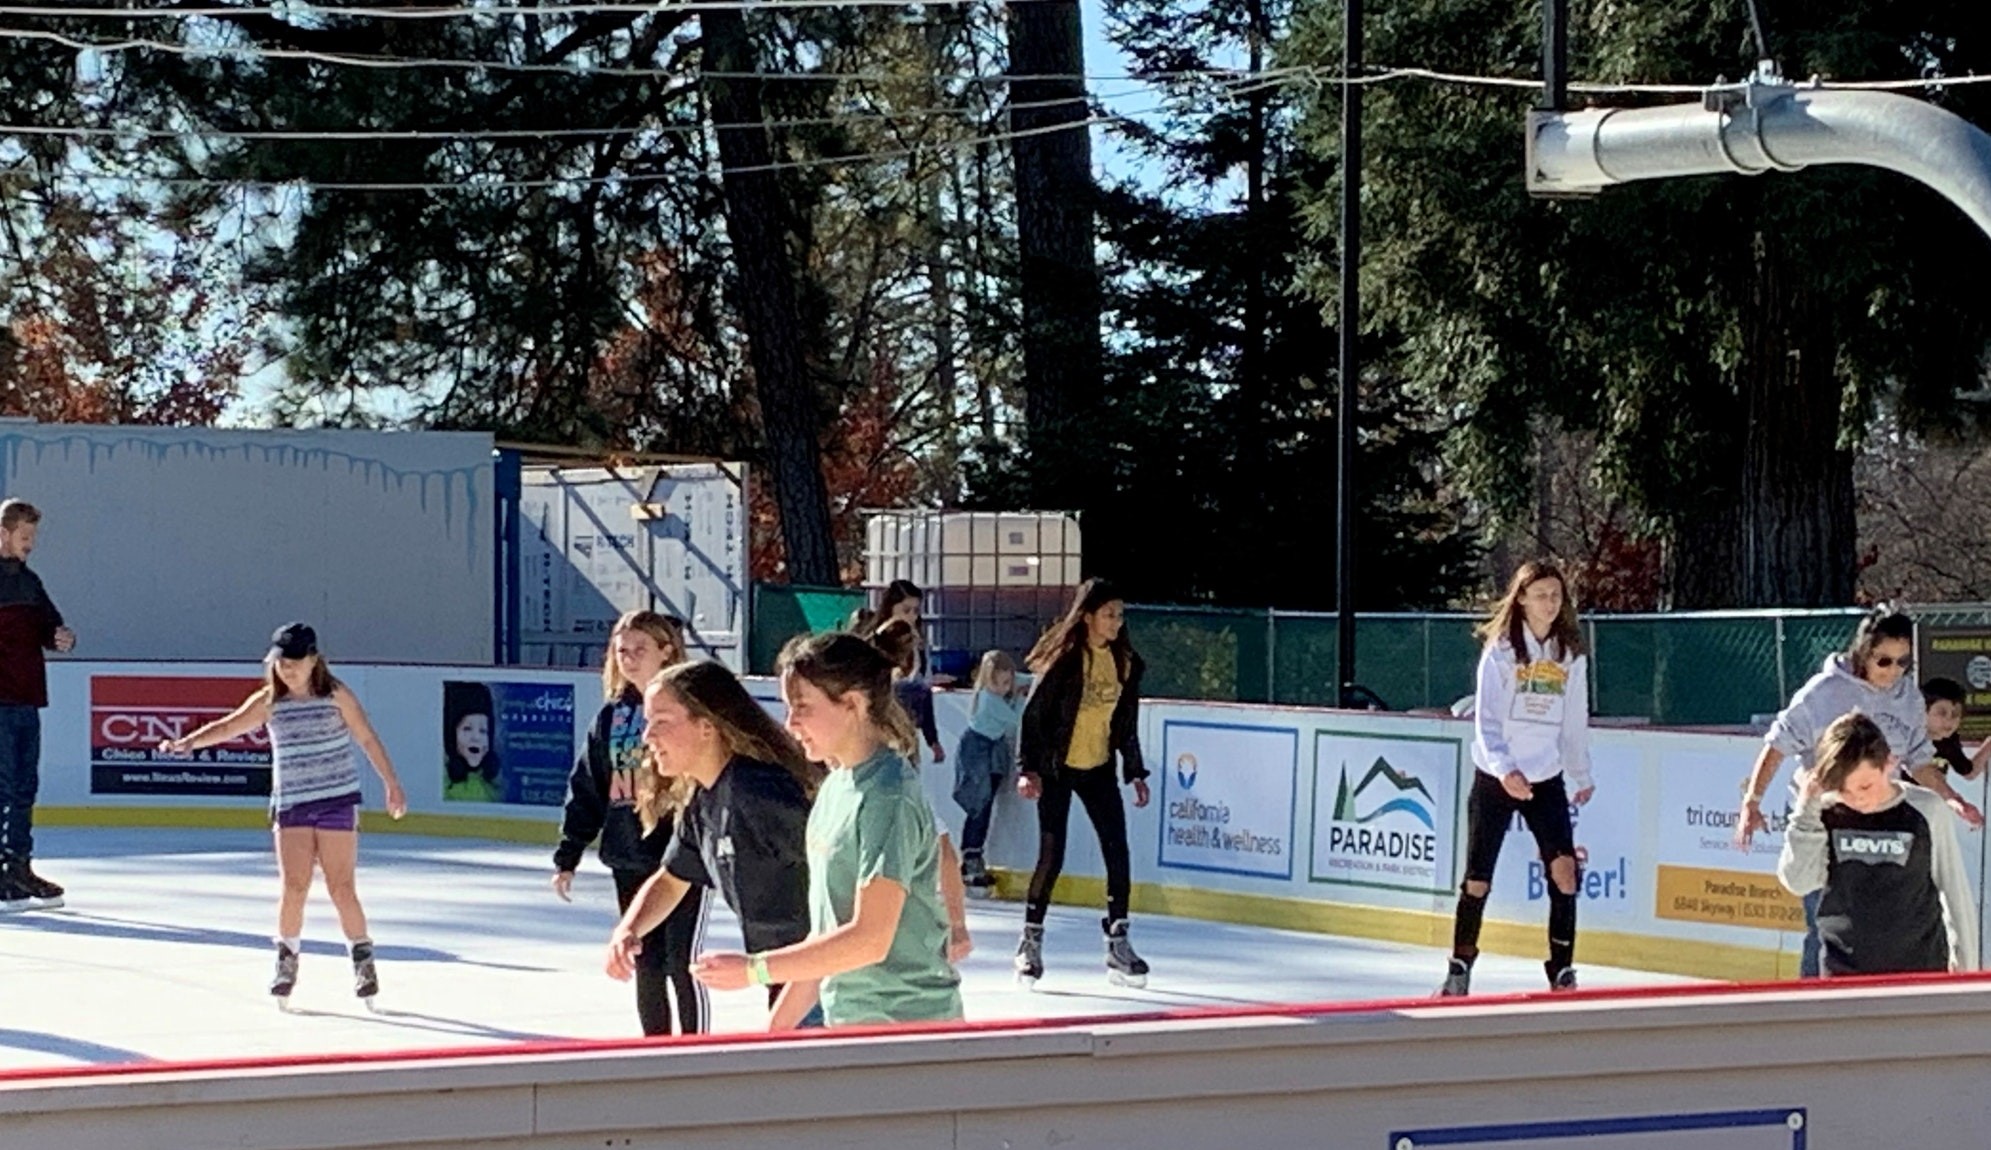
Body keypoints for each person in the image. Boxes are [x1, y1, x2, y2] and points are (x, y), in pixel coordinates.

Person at [690, 633, 963, 1028]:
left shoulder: (887, 797)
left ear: (852, 703)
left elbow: (870, 938)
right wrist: (772, 1036)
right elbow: (826, 941)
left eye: (802, 707)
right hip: (850, 1028)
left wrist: (755, 970)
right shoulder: (836, 787)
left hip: (906, 1032)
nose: (791, 723)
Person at [160, 623, 407, 1007]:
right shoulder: (269, 701)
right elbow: (229, 726)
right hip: (293, 804)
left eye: (293, 663)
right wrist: (188, 743)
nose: (286, 671)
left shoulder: (336, 695)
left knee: (341, 887)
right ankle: (286, 960)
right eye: (279, 663)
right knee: (295, 887)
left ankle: (362, 959)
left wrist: (391, 783)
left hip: (337, 800)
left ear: (313, 660)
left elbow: (367, 737)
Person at [1736, 608, 1980, 979]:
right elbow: (1778, 744)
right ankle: (1818, 1000)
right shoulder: (1823, 693)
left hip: (1883, 809)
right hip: (1829, 812)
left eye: (1902, 662)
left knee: (1886, 916)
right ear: (1863, 653)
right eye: (1884, 661)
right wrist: (1753, 800)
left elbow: (1918, 760)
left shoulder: (1908, 697)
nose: (1893, 671)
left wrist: (1950, 796)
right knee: (1828, 919)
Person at [604, 661, 823, 1025]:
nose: (647, 737)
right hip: (788, 978)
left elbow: (839, 896)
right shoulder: (705, 799)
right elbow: (672, 880)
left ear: (706, 727)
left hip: (829, 981)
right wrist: (629, 929)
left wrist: (778, 997)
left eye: (662, 722)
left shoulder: (760, 794)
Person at [1439, 561, 1594, 997]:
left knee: (1564, 872)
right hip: (1497, 775)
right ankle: (1460, 964)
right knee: (1478, 877)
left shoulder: (1570, 654)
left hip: (1545, 776)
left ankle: (1561, 969)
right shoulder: (1502, 650)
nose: (1550, 602)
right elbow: (1486, 721)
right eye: (1541, 594)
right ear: (1521, 599)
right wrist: (1505, 769)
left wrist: (1580, 771)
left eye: (1556, 595)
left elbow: (1574, 721)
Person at [554, 610, 706, 1036]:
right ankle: (655, 1048)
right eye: (623, 651)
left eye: (641, 649)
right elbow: (588, 784)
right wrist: (569, 852)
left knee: (682, 961)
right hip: (629, 854)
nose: (630, 658)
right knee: (646, 960)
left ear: (667, 651)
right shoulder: (611, 717)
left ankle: (695, 1050)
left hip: (682, 855)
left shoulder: (690, 710)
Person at [1014, 578, 1152, 990]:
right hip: (1058, 767)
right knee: (1052, 853)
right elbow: (1033, 716)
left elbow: (1125, 723)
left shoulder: (1126, 663)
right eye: (1109, 614)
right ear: (1088, 616)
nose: (1116, 622)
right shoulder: (1065, 661)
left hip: (1098, 768)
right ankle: (1030, 942)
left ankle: (1118, 940)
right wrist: (1029, 768)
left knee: (1117, 848)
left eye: (1120, 615)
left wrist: (1136, 771)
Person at [1776, 711, 1978, 976]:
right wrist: (1806, 811)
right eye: (1843, 790)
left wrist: (1966, 971)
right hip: (1842, 975)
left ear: (1889, 764)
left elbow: (1954, 891)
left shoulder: (1925, 810)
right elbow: (1799, 882)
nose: (1856, 799)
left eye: (1865, 786)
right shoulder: (1824, 812)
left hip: (1920, 972)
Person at [0, 499, 75, 911]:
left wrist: (60, 637)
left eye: (33, 537)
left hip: (27, 697)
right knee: (3, 786)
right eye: (25, 536)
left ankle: (18, 865)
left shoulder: (29, 582)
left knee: (25, 787)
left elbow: (50, 624)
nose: (31, 544)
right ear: (3, 533)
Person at [954, 649, 1026, 895]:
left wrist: (1030, 681)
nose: (1006, 687)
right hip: (977, 751)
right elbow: (1015, 718)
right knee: (979, 805)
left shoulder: (999, 692)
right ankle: (970, 858)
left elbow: (1029, 680)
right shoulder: (989, 700)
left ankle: (974, 856)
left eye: (1009, 682)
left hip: (992, 751)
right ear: (988, 680)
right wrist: (1018, 696)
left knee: (986, 804)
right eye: (1001, 683)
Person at [872, 619, 946, 764]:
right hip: (885, 737)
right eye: (907, 641)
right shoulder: (878, 673)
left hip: (909, 735)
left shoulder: (919, 663)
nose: (913, 644)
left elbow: (925, 701)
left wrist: (933, 741)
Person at [442, 681, 502, 802]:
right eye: (467, 729)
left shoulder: (496, 786)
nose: (476, 738)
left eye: (483, 731)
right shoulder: (443, 780)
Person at [1919, 678, 1989, 781]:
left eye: (1956, 714)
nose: (1949, 720)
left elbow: (1968, 772)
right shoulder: (1904, 739)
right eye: (1942, 713)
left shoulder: (1948, 743)